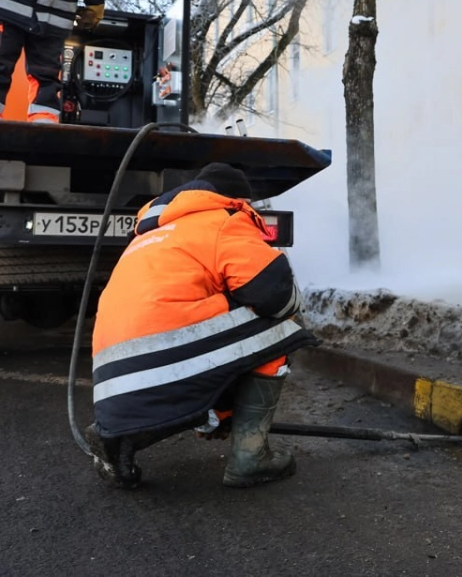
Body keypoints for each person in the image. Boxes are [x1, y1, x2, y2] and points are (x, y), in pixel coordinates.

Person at [87, 163, 315, 489]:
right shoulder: (225, 219)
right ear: (237, 200)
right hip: (169, 351)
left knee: (224, 319)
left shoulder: (152, 231)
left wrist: (222, 414)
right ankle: (250, 457)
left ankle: (120, 441)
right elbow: (277, 297)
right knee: (282, 325)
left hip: (114, 376)